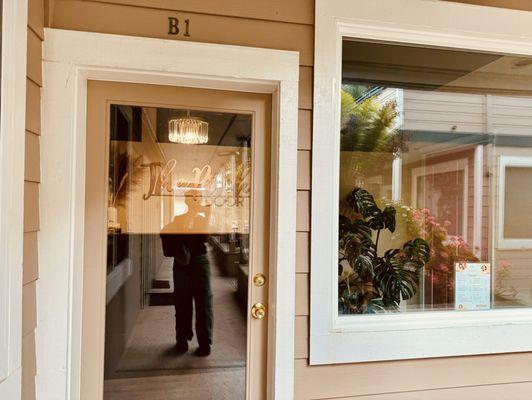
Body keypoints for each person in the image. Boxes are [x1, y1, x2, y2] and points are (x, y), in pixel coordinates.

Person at [160, 189, 213, 357]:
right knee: (182, 302)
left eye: (198, 199)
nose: (195, 202)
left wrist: (206, 213)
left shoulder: (204, 219)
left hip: (200, 262)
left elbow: (205, 237)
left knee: (204, 303)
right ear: (186, 201)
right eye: (192, 199)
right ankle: (182, 339)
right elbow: (163, 232)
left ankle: (205, 343)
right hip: (182, 264)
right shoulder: (178, 220)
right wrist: (179, 248)